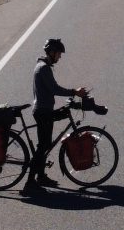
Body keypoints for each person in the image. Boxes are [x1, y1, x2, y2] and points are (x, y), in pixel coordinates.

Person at [21, 38, 88, 194]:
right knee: (42, 146)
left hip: (45, 110)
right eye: (58, 54)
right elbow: (54, 89)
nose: (59, 57)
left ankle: (41, 176)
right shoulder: (43, 68)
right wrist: (74, 92)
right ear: (52, 52)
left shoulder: (43, 66)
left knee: (45, 145)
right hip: (42, 111)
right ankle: (29, 184)